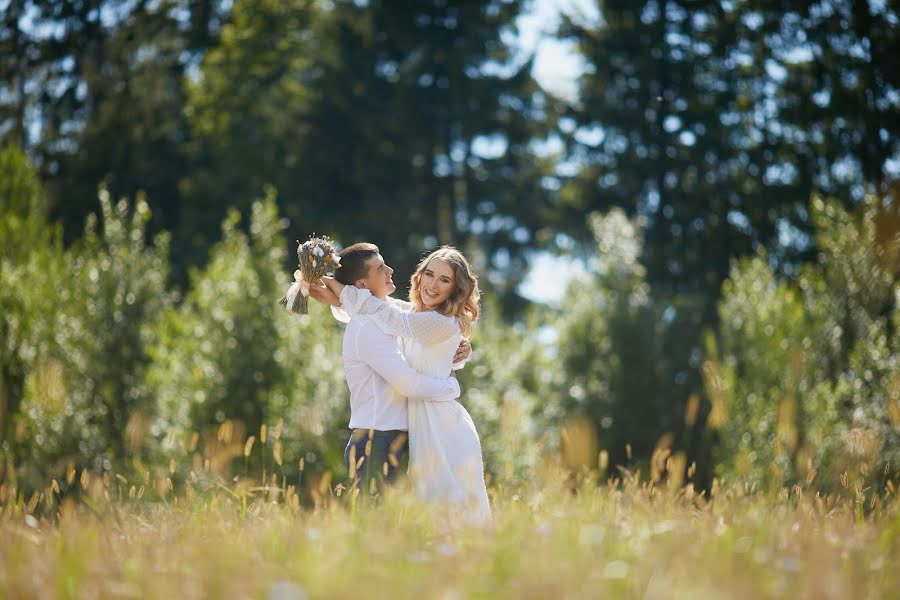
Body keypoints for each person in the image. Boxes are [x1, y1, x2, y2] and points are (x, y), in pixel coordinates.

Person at [317, 246, 491, 525]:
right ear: (419, 275)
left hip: (440, 423)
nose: (432, 285)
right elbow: (384, 311)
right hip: (419, 423)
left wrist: (340, 288)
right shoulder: (418, 316)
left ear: (456, 289)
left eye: (444, 280)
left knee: (452, 511)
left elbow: (390, 317)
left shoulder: (436, 322)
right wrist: (338, 297)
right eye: (429, 274)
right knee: (428, 515)